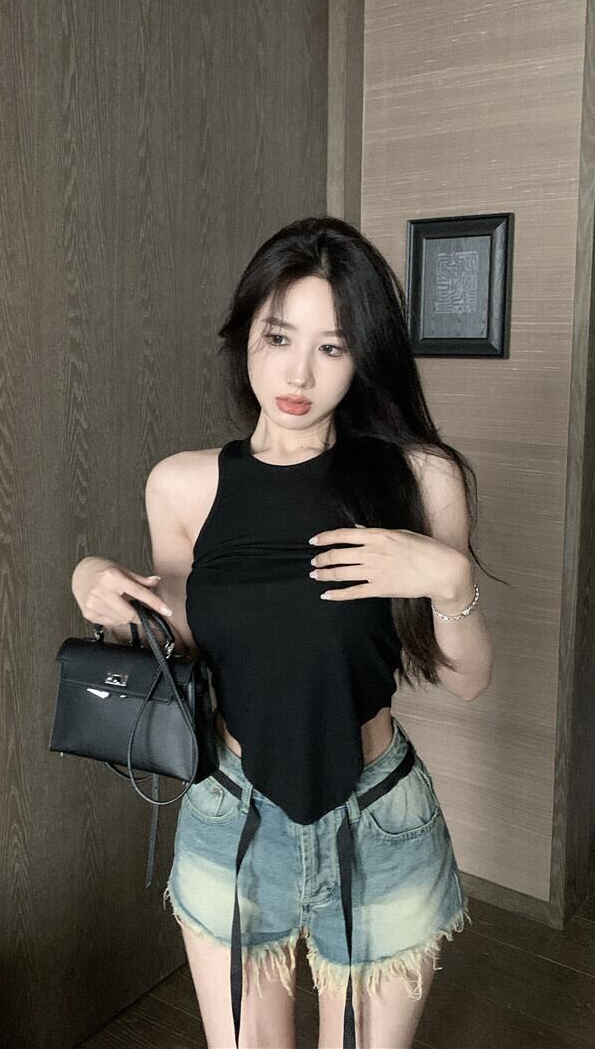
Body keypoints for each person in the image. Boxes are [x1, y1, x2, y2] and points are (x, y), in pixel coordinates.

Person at [71, 216, 497, 1049]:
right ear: (245, 337)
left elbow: (470, 679)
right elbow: (189, 644)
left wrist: (451, 579)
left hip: (377, 817)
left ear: (364, 356)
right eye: (278, 337)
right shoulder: (182, 485)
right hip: (230, 811)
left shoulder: (419, 479)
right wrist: (94, 581)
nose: (298, 374)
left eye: (332, 347)